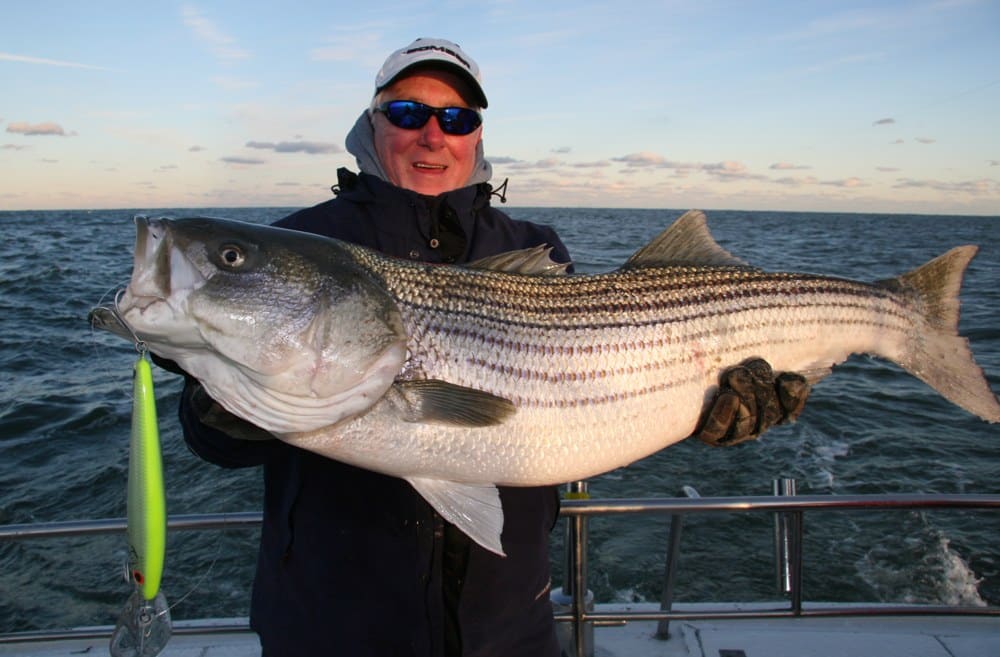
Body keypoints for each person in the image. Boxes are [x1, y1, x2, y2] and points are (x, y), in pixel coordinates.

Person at [172, 38, 810, 657]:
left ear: (476, 134)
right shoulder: (303, 242)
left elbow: (596, 393)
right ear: (371, 126)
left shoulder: (533, 244)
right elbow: (212, 444)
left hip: (507, 623)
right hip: (331, 619)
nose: (433, 134)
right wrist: (224, 403)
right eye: (407, 112)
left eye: (456, 117)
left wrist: (703, 407)